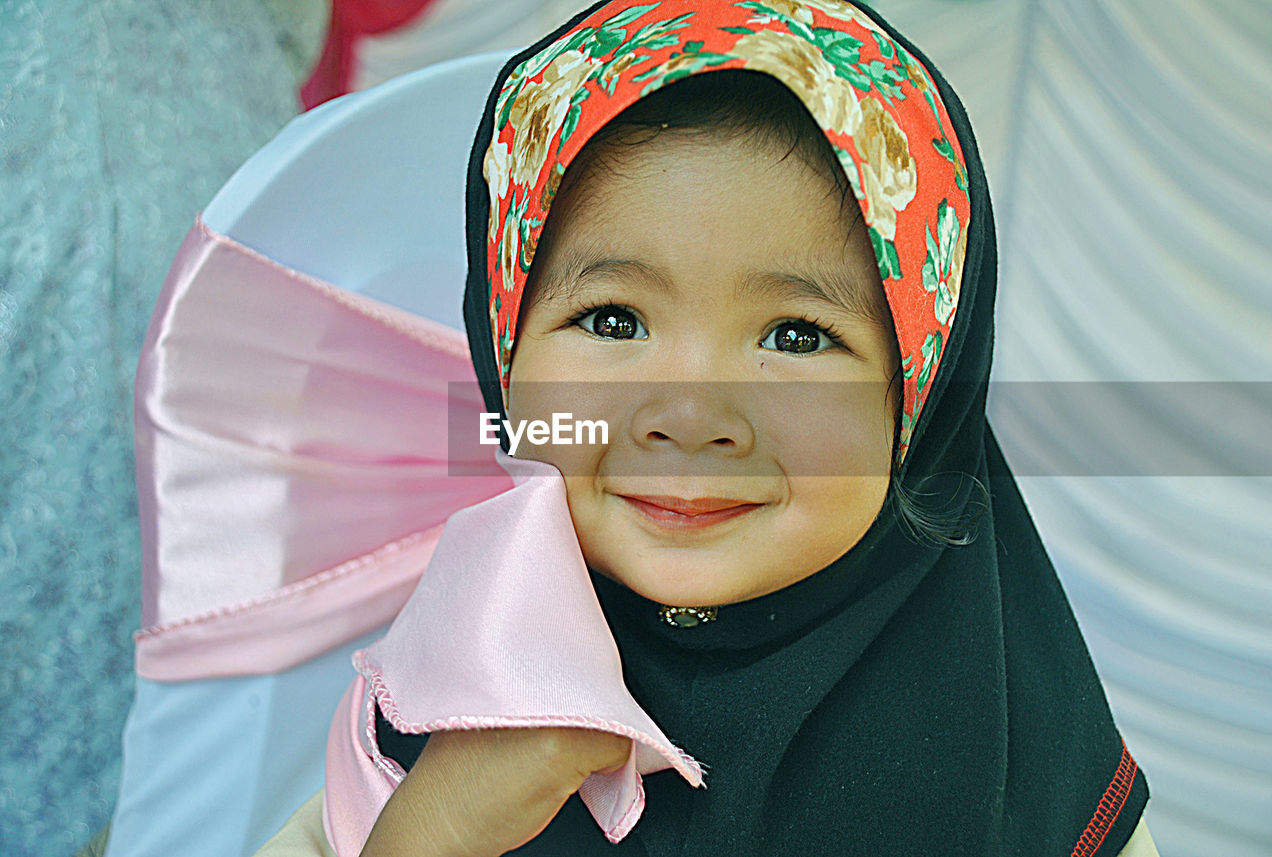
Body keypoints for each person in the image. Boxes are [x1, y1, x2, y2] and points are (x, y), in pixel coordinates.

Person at [256, 1, 1159, 854]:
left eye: (797, 336)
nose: (690, 418)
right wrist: (436, 827)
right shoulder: (441, 695)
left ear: (920, 401)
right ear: (503, 346)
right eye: (614, 320)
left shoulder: (1022, 766)